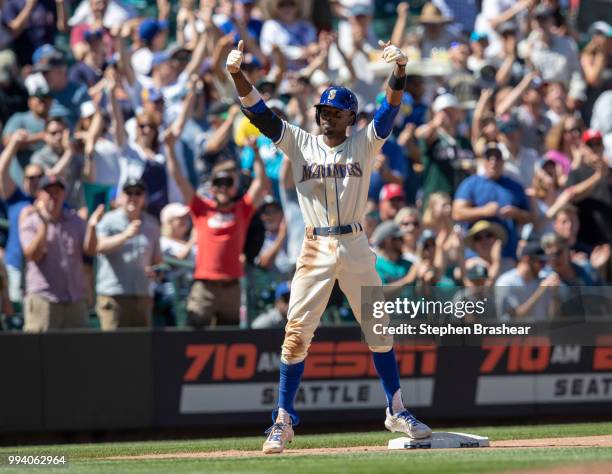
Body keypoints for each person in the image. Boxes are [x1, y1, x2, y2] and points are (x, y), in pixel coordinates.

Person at [226, 39, 432, 453]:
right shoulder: (301, 142)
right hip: (315, 245)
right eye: (322, 111)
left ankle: (396, 408)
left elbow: (390, 109)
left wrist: (400, 71)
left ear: (350, 117)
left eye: (334, 112)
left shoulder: (364, 143)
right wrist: (236, 74)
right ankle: (283, 421)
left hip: (355, 243)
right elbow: (260, 114)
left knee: (379, 329)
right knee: (296, 334)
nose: (326, 117)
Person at [164, 120, 268, 328]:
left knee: (228, 340)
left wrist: (256, 154)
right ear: (211, 187)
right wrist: (169, 148)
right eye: (217, 183)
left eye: (227, 183)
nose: (222, 187)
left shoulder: (242, 209)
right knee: (193, 340)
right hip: (204, 286)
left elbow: (261, 185)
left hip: (231, 287)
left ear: (234, 187)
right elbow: (178, 178)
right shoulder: (201, 208)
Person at [19, 175, 101, 331]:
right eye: (49, 191)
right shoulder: (31, 221)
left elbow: (90, 251)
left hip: (74, 300)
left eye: (57, 191)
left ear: (64, 194)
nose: (53, 196)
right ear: (39, 194)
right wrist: (44, 225)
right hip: (44, 299)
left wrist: (91, 227)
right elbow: (32, 255)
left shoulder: (75, 221)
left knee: (77, 353)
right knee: (40, 353)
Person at [94, 178, 163, 329]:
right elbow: (98, 246)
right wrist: (125, 235)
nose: (133, 197)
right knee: (114, 349)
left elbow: (158, 260)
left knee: (142, 349)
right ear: (121, 197)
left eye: (138, 193)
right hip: (114, 295)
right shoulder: (108, 220)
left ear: (144, 198)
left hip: (142, 295)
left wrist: (156, 271)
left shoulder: (152, 223)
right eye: (128, 192)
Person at [453, 142, 532, 259]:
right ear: (483, 161)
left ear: (503, 162)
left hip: (507, 253)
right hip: (476, 255)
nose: (493, 162)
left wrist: (516, 213)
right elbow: (457, 213)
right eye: (489, 158)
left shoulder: (515, 186)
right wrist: (483, 211)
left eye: (497, 158)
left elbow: (529, 217)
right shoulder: (471, 183)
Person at [0, 130, 43, 305]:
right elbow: (2, 171)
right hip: (15, 262)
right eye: (30, 177)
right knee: (16, 308)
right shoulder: (17, 198)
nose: (35, 181)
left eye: (39, 177)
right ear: (24, 180)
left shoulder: (53, 201)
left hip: (41, 268)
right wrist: (13, 144)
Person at [495, 241, 549, 321]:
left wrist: (554, 294)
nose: (543, 266)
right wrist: (539, 292)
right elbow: (514, 318)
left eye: (545, 262)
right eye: (541, 262)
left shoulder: (543, 279)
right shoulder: (506, 282)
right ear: (526, 259)